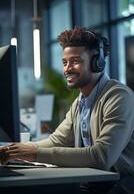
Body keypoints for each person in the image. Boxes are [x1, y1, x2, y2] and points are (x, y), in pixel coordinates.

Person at [0, 26, 134, 193]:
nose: (67, 69)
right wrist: (14, 150)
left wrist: (33, 153)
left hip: (122, 185)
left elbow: (102, 156)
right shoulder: (80, 103)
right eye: (65, 62)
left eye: (76, 61)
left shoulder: (118, 96)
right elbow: (56, 141)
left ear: (97, 62)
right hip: (95, 184)